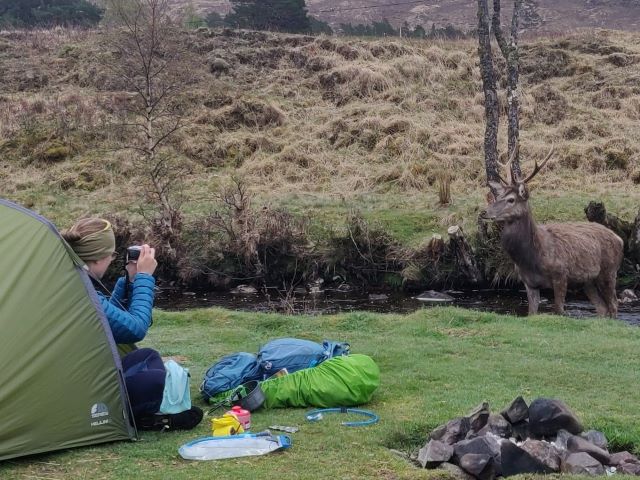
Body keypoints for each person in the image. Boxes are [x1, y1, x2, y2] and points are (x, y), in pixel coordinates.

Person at [61, 217, 202, 431]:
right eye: (112, 255)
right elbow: (135, 329)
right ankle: (148, 420)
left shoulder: (70, 279)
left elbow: (109, 318)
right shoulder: (81, 292)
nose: (111, 260)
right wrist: (145, 277)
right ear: (99, 258)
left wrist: (130, 280)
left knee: (148, 356)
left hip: (80, 374)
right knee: (155, 381)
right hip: (80, 388)